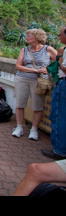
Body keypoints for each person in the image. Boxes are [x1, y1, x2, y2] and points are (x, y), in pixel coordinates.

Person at [12, 28, 57, 141]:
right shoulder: (25, 50)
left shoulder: (48, 49)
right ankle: (19, 127)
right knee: (20, 104)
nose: (26, 38)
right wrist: (35, 71)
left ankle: (34, 129)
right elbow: (18, 66)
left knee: (37, 105)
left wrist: (47, 69)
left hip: (39, 81)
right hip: (22, 78)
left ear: (37, 37)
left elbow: (59, 62)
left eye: (29, 36)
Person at [42, 26, 66, 159]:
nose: (58, 36)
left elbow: (64, 68)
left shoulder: (63, 51)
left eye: (60, 34)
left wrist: (61, 55)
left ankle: (59, 150)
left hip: (64, 84)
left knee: (59, 116)